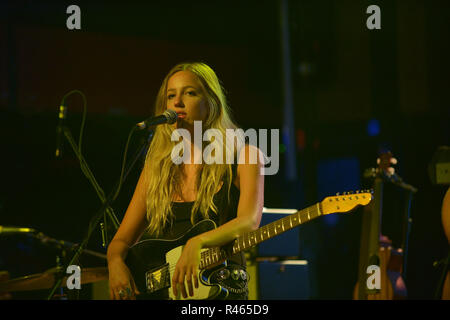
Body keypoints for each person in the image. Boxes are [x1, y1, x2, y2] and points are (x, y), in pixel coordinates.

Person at [106, 62, 265, 300]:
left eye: (190, 93)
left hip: (220, 289)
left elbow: (250, 221)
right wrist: (115, 261)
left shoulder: (244, 154)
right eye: (171, 96)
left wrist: (197, 243)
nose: (178, 102)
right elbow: (122, 240)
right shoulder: (157, 166)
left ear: (211, 102)